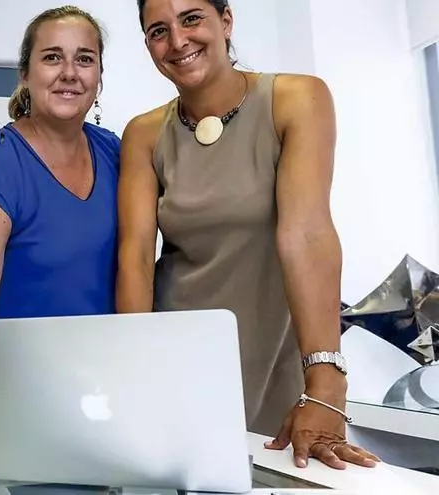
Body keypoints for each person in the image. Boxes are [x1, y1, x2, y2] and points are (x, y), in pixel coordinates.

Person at [116, 0, 381, 470]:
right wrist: (135, 374)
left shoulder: (297, 98)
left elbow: (305, 234)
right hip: (177, 359)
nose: (177, 41)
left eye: (192, 18)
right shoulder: (143, 133)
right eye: (158, 31)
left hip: (274, 360)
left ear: (226, 20)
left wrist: (326, 382)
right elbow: (135, 257)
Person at [0, 5, 121, 439]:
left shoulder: (115, 151)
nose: (69, 72)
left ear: (99, 76)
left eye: (84, 59)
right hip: (27, 398)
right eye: (52, 57)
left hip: (106, 395)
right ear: (25, 74)